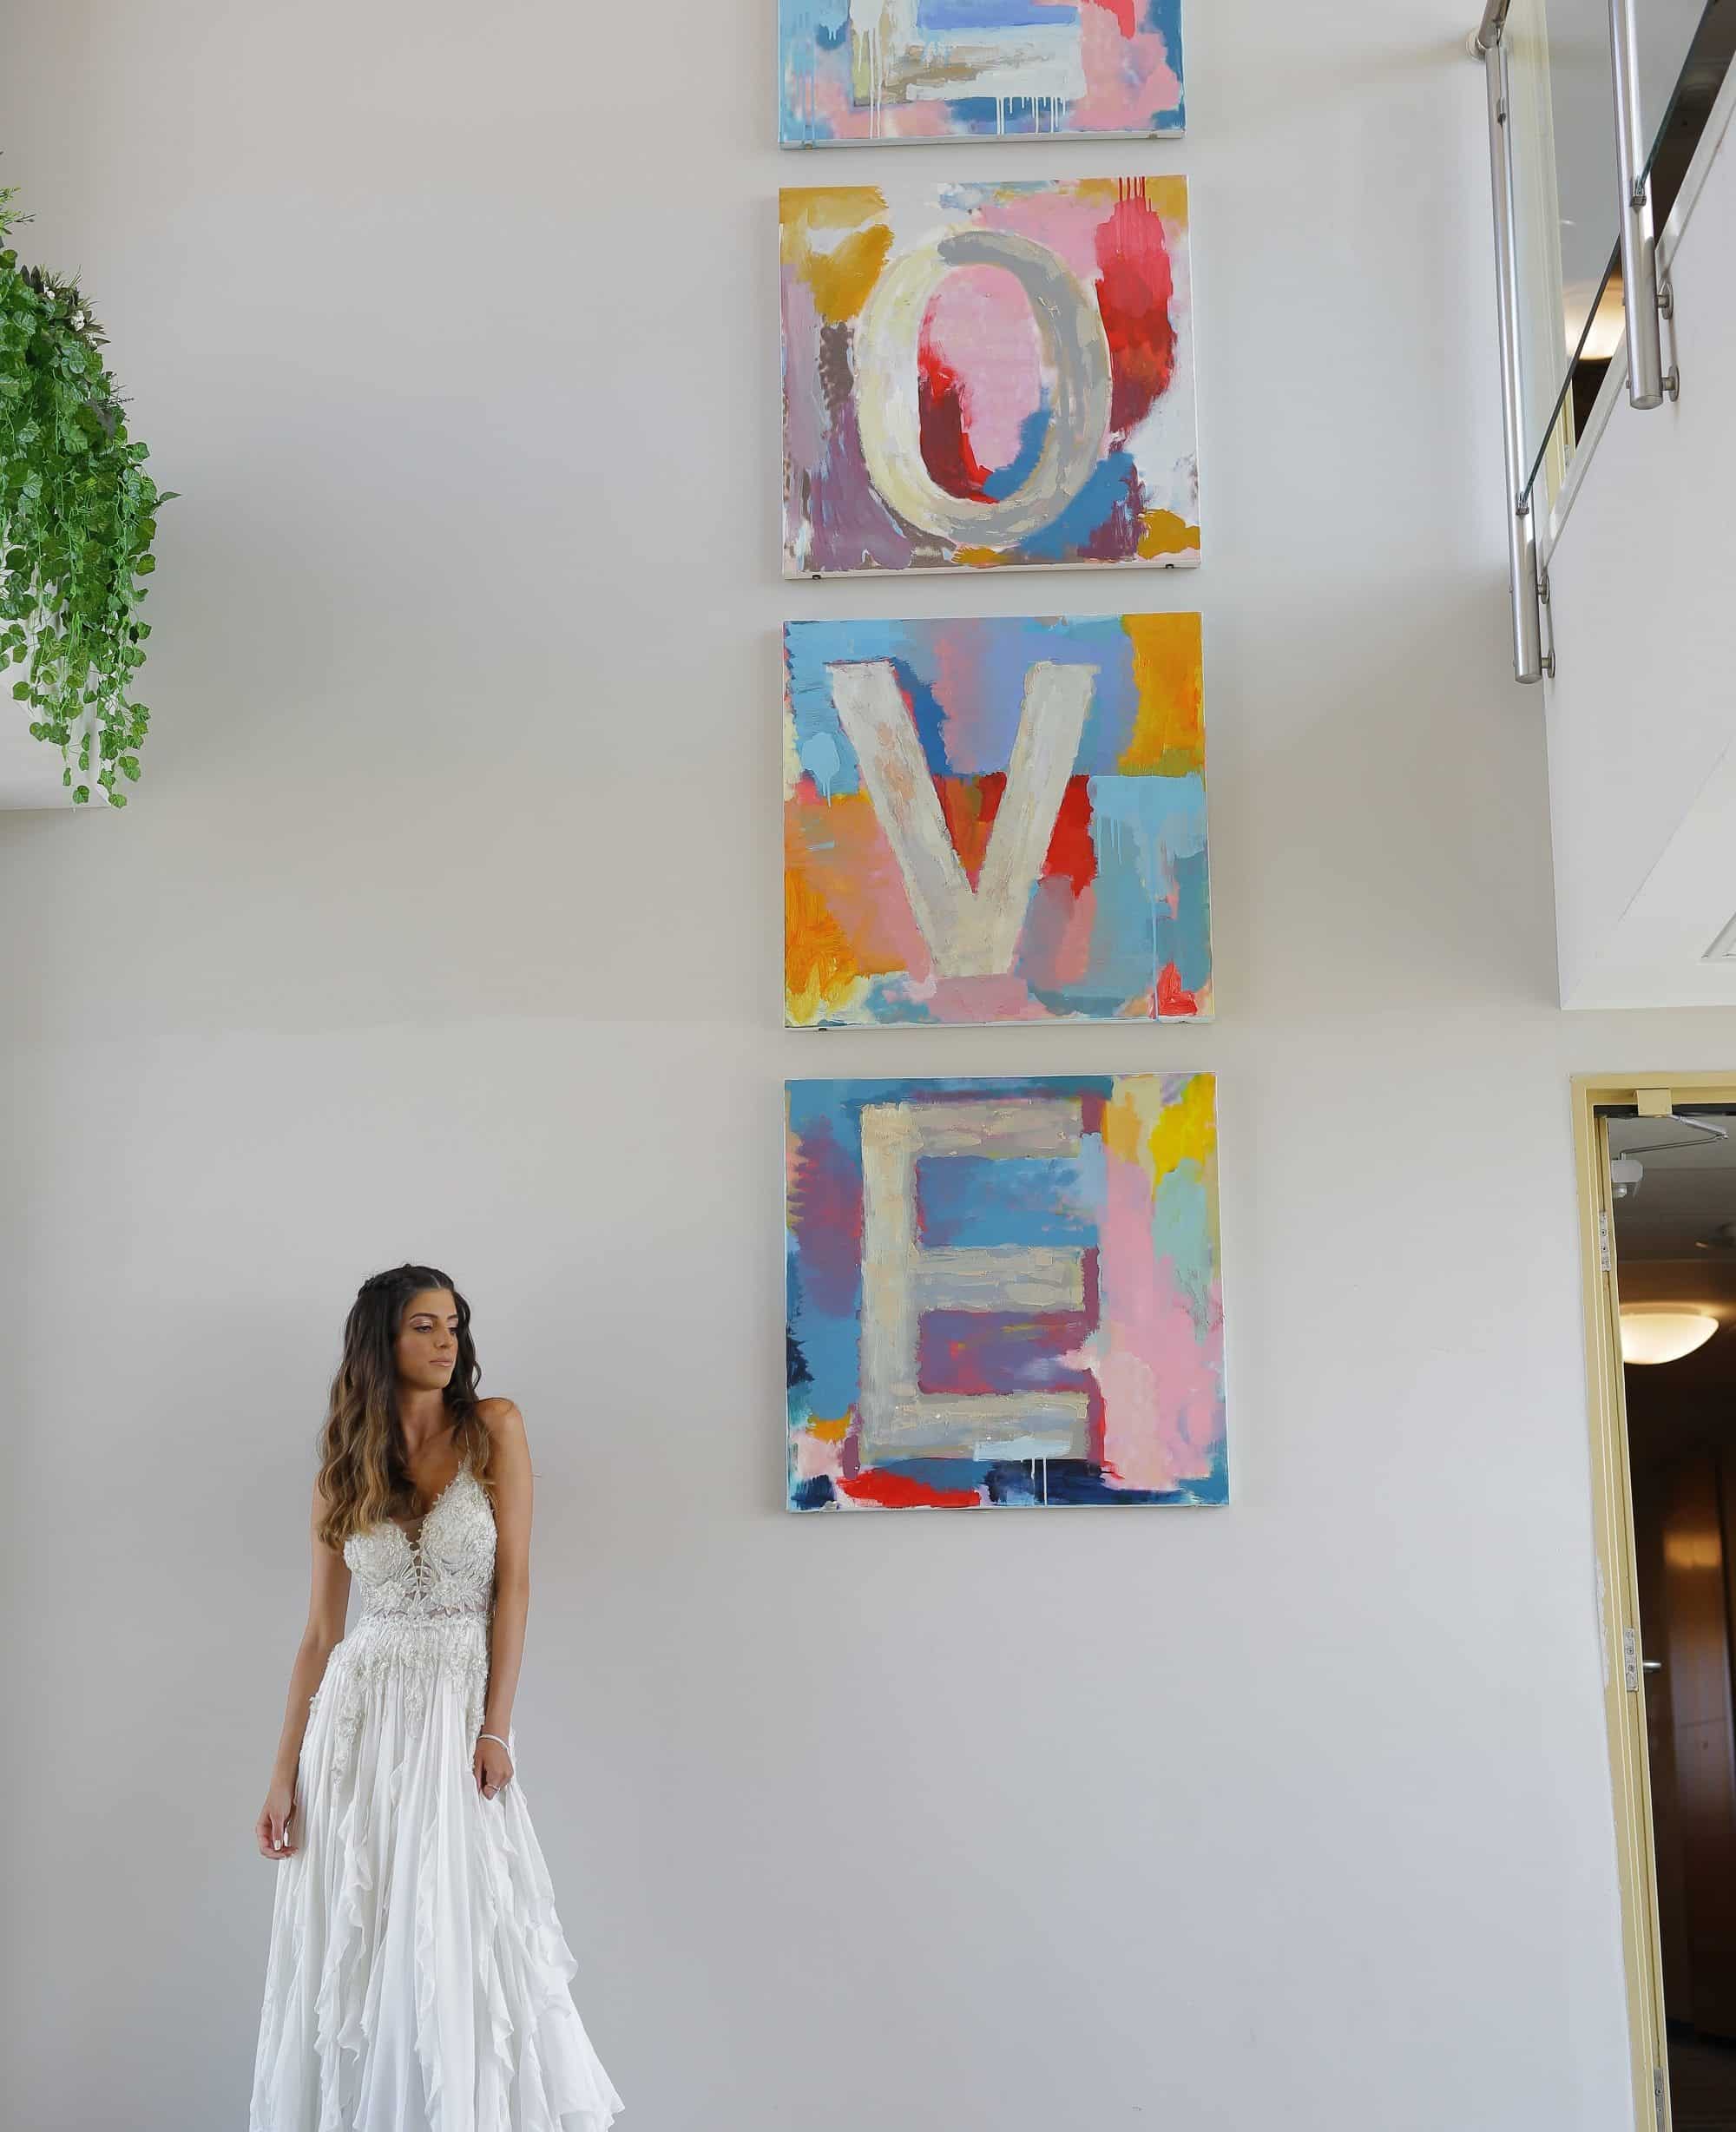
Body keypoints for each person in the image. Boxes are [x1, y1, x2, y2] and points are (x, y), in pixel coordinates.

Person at [249, 1263, 624, 2130]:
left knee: (456, 1925)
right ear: (380, 1340)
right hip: (355, 1723)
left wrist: (497, 1728)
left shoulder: (495, 1427)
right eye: (424, 1325)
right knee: (360, 1935)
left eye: (453, 1324)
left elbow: (515, 1585)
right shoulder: (342, 1468)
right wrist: (281, 1774)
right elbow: (320, 1634)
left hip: (454, 1709)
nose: (446, 1340)